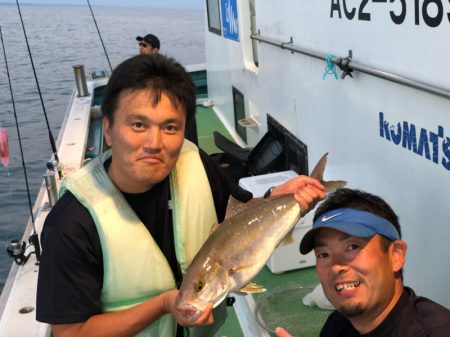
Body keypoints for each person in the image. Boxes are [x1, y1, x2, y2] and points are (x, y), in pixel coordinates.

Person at [36, 53, 326, 337]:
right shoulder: (71, 224)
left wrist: (280, 198)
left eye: (170, 127)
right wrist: (163, 305)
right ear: (109, 130)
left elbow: (239, 213)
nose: (154, 143)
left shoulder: (193, 161)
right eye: (138, 125)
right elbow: (70, 331)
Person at [275, 188, 450, 337]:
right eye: (324, 254)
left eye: (352, 247)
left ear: (396, 255)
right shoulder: (337, 325)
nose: (336, 266)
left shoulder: (437, 331)